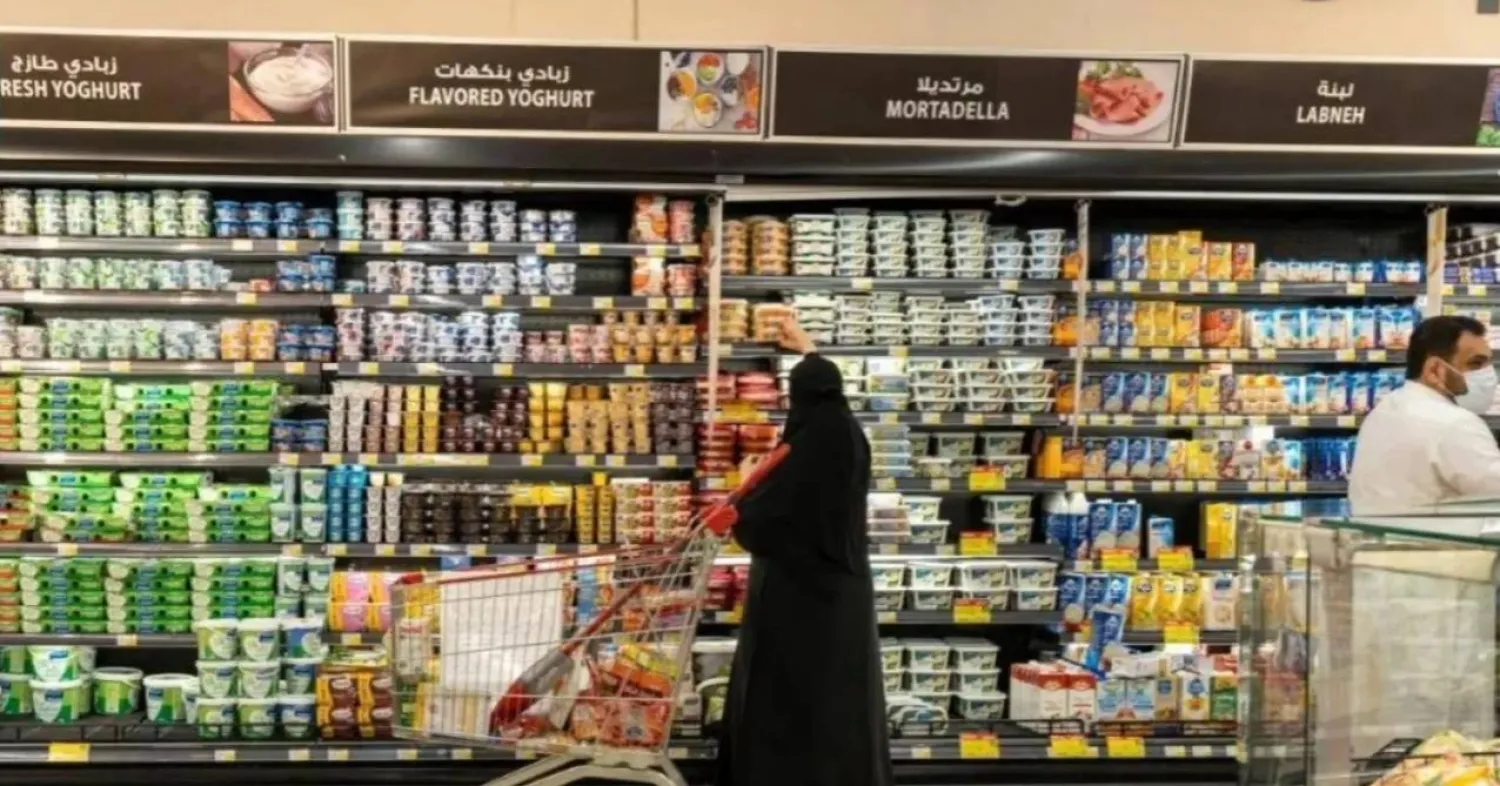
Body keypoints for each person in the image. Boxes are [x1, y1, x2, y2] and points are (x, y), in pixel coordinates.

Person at [714, 316, 893, 786]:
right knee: (841, 708)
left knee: (788, 707)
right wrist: (809, 350)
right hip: (844, 601)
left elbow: (763, 526)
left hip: (796, 604)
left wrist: (745, 489)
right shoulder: (847, 434)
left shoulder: (806, 451)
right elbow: (823, 388)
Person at [1348, 314, 1500, 515]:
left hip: (1379, 530)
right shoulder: (1455, 423)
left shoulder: (1385, 409)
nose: (1488, 375)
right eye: (1475, 364)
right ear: (1435, 369)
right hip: (1434, 534)